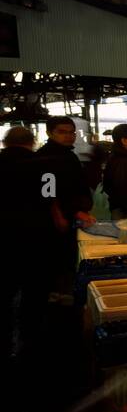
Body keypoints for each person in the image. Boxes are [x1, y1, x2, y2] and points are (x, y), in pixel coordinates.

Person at [0, 127, 59, 365]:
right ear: (32, 141)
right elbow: (50, 197)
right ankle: (32, 339)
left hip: (4, 234)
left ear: (5, 142)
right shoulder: (45, 165)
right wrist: (59, 220)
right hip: (37, 232)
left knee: (6, 286)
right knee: (35, 287)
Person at [36, 117, 95, 279]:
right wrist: (63, 215)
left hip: (70, 215)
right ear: (49, 133)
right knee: (59, 259)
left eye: (71, 132)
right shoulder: (46, 157)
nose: (68, 136)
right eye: (62, 132)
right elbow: (48, 192)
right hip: (56, 219)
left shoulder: (68, 154)